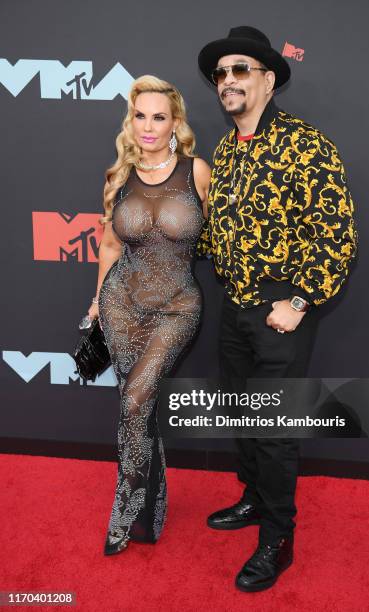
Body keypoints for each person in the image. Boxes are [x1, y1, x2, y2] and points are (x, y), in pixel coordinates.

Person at [197, 26, 357, 592]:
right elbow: (217, 233)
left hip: (280, 310)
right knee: (244, 415)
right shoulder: (224, 148)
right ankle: (253, 499)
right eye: (221, 73)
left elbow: (335, 235)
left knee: (273, 427)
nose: (228, 81)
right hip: (235, 306)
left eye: (240, 70)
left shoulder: (306, 144)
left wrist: (297, 300)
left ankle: (277, 537)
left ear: (267, 79)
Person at [87, 75, 211, 555]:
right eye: (140, 116)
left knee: (136, 402)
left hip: (177, 308)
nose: (148, 126)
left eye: (159, 117)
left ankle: (127, 507)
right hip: (122, 305)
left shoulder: (197, 171)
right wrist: (98, 299)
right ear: (130, 121)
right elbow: (111, 244)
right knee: (136, 409)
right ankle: (150, 509)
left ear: (175, 123)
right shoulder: (118, 175)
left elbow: (223, 234)